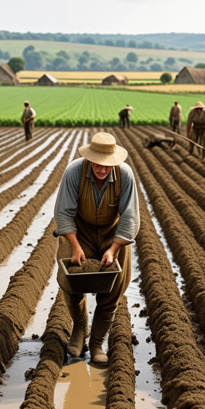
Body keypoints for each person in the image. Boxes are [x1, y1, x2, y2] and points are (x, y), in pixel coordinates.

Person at [54, 132, 140, 365]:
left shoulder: (125, 175)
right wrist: (74, 246)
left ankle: (97, 343)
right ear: (89, 159)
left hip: (114, 235)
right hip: (79, 231)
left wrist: (113, 249)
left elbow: (130, 218)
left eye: (107, 166)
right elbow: (63, 212)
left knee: (113, 285)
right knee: (70, 280)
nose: (102, 170)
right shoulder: (74, 172)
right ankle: (80, 328)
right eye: (97, 165)